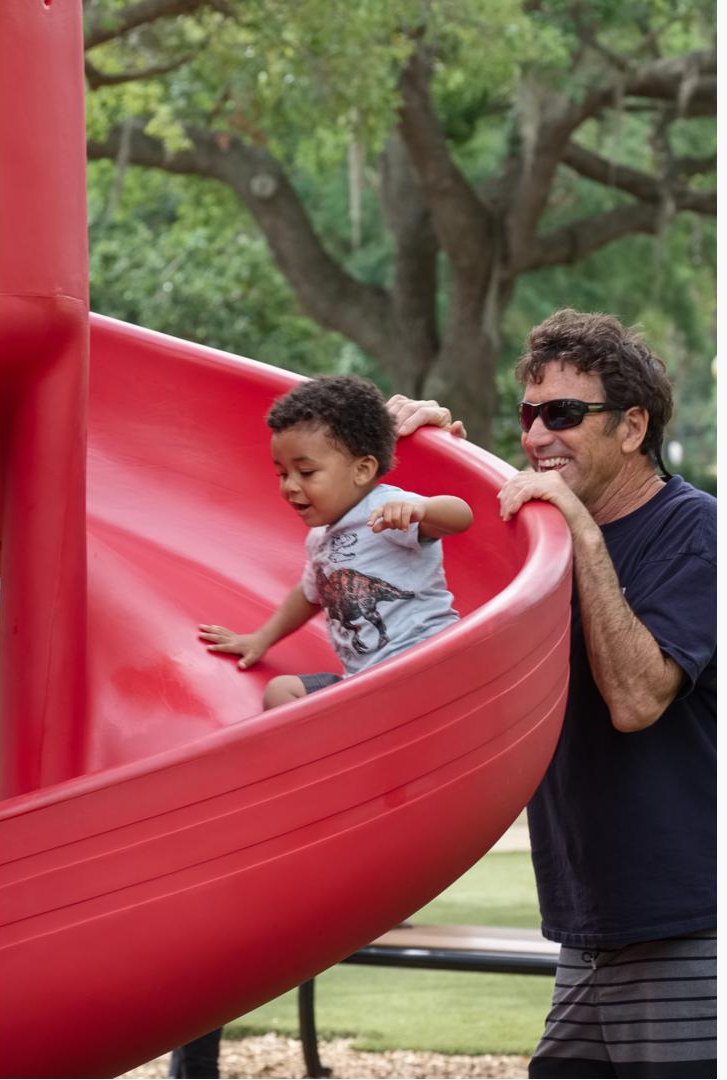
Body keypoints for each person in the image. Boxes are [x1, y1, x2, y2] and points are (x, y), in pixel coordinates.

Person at [387, 310, 716, 1079]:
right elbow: (435, 608)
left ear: (632, 427)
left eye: (564, 414)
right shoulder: (542, 537)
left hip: (691, 928)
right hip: (585, 929)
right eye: (530, 416)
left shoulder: (699, 534)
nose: (536, 436)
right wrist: (439, 458)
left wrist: (579, 527)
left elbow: (637, 698)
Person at [171, 374, 473, 1078]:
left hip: (425, 677)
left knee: (322, 709)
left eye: (306, 470)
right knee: (281, 692)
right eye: (281, 471)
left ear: (364, 469)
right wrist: (257, 638)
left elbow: (461, 515)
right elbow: (306, 599)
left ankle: (352, 813)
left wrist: (421, 508)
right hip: (366, 691)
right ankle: (315, 815)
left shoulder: (390, 509)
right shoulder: (323, 543)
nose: (290, 486)